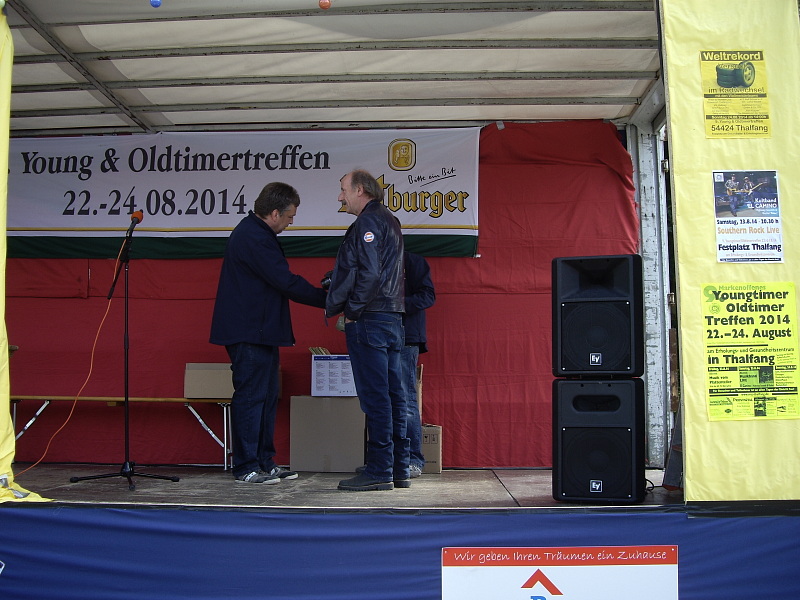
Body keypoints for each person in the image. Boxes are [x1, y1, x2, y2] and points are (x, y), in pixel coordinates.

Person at [210, 182, 327, 484]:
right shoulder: (254, 237)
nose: (291, 222)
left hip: (261, 330)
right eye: (290, 216)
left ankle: (264, 461)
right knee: (251, 397)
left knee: (266, 397)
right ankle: (246, 466)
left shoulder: (256, 234)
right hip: (250, 331)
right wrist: (328, 299)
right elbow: (284, 281)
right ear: (274, 213)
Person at [325, 169, 408, 491]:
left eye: (343, 189)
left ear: (360, 190)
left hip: (371, 318)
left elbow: (370, 273)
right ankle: (397, 467)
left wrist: (353, 311)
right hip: (392, 317)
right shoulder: (389, 220)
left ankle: (380, 470)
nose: (340, 197)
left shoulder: (368, 222)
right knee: (394, 395)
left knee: (376, 397)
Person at [401, 250, 435, 478]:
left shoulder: (412, 261)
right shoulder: (368, 260)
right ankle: (383, 460)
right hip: (375, 337)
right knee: (379, 400)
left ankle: (412, 460)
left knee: (405, 400)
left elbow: (427, 296)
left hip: (406, 337)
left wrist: (393, 304)